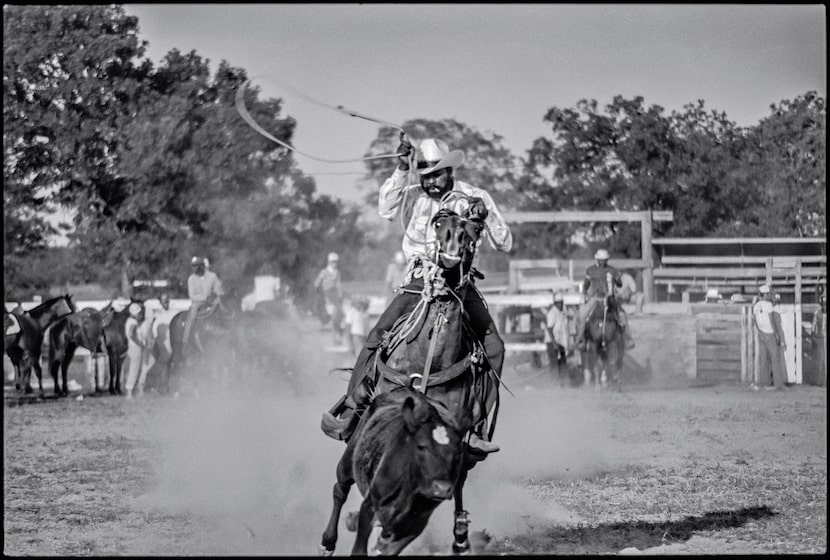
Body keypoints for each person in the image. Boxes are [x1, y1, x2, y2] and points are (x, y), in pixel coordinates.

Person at [322, 134, 513, 453]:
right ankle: (353, 411)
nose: (432, 182)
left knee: (495, 348)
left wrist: (485, 217)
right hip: (416, 283)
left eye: (437, 174)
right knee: (377, 335)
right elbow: (385, 209)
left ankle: (475, 428)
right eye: (425, 176)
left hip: (460, 288)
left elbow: (505, 242)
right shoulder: (412, 197)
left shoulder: (474, 196)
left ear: (450, 171)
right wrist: (400, 169)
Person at [574, 249, 635, 351]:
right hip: (595, 297)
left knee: (622, 315)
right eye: (601, 260)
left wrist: (617, 279)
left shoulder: (612, 270)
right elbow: (586, 284)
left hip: (610, 297)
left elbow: (619, 284)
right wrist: (584, 294)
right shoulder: (590, 270)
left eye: (605, 260)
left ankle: (627, 339)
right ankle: (581, 340)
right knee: (582, 314)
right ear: (596, 259)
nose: (603, 262)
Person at [182, 256, 224, 352]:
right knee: (191, 317)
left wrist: (217, 297)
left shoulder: (212, 276)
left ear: (202, 266)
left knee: (224, 312)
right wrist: (205, 298)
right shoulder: (191, 279)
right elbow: (192, 295)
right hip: (198, 304)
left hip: (213, 303)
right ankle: (186, 341)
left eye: (196, 266)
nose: (194, 268)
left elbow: (219, 290)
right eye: (193, 266)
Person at [751, 284, 788, 390]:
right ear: (766, 294)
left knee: (764, 359)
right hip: (769, 333)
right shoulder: (768, 305)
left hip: (761, 333)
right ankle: (778, 384)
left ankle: (765, 382)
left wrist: (759, 330)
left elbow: (755, 321)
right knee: (775, 358)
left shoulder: (756, 306)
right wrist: (776, 334)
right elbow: (771, 320)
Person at [144, 293, 177, 391]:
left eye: (167, 300)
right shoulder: (157, 314)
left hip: (168, 341)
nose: (166, 303)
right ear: (160, 301)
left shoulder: (171, 313)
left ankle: (164, 385)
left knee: (167, 363)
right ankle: (151, 384)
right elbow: (149, 327)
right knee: (161, 361)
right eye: (164, 301)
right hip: (158, 341)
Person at [314, 252, 345, 343]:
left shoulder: (336, 272)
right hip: (327, 294)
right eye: (332, 262)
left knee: (338, 314)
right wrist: (319, 292)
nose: (334, 263)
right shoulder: (324, 272)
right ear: (329, 262)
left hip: (334, 294)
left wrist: (340, 294)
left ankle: (337, 336)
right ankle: (336, 336)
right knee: (335, 315)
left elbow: (338, 284)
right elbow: (317, 283)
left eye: (335, 262)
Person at [544, 292, 570, 386]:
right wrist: (554, 343)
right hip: (552, 342)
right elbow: (549, 329)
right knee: (554, 364)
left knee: (562, 363)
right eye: (558, 303)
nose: (560, 304)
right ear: (555, 303)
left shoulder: (562, 312)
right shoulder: (552, 313)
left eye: (561, 302)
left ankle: (562, 383)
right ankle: (554, 383)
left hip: (560, 342)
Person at [123, 302, 146, 398]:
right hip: (135, 348)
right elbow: (132, 334)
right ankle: (129, 392)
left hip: (131, 347)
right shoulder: (133, 322)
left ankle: (129, 390)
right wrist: (140, 343)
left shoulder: (129, 321)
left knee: (132, 369)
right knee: (134, 370)